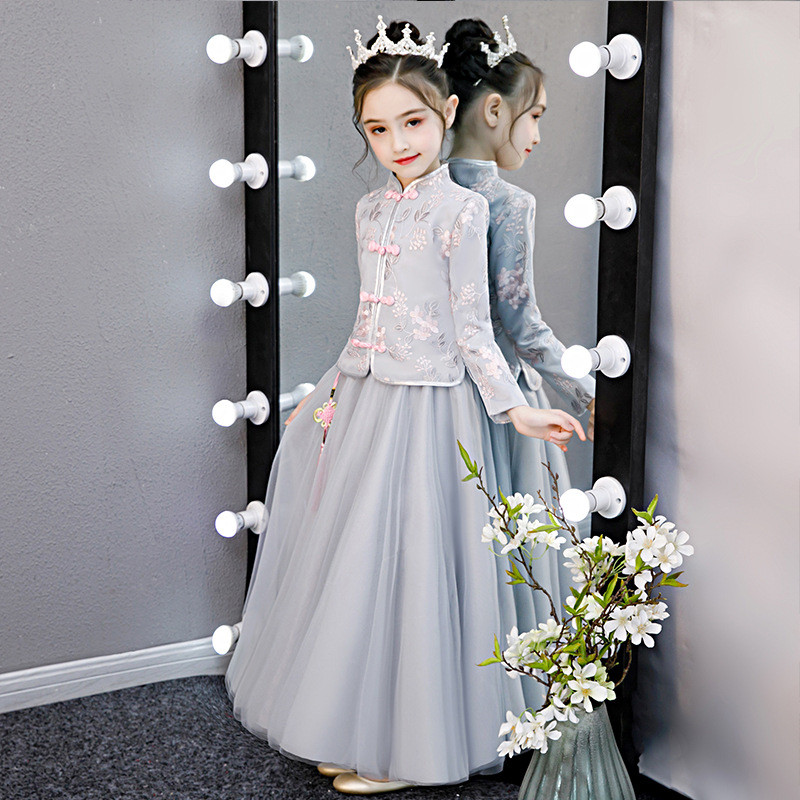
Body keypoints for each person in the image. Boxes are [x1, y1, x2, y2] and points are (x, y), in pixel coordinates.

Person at [225, 18, 585, 795]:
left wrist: (516, 411)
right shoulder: (369, 210)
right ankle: (361, 728)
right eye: (378, 129)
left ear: (449, 112)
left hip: (435, 405)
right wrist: (328, 390)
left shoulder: (465, 212)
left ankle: (405, 749)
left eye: (413, 123)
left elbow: (475, 329)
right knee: (361, 564)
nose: (397, 143)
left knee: (417, 563)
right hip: (370, 393)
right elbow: (370, 314)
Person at [442, 17, 596, 711]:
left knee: (445, 545)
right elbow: (521, 324)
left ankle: (446, 694)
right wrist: (584, 385)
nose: (536, 134)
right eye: (534, 116)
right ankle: (509, 701)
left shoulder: (423, 187)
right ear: (494, 110)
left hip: (436, 396)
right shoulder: (505, 201)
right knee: (510, 548)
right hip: (500, 401)